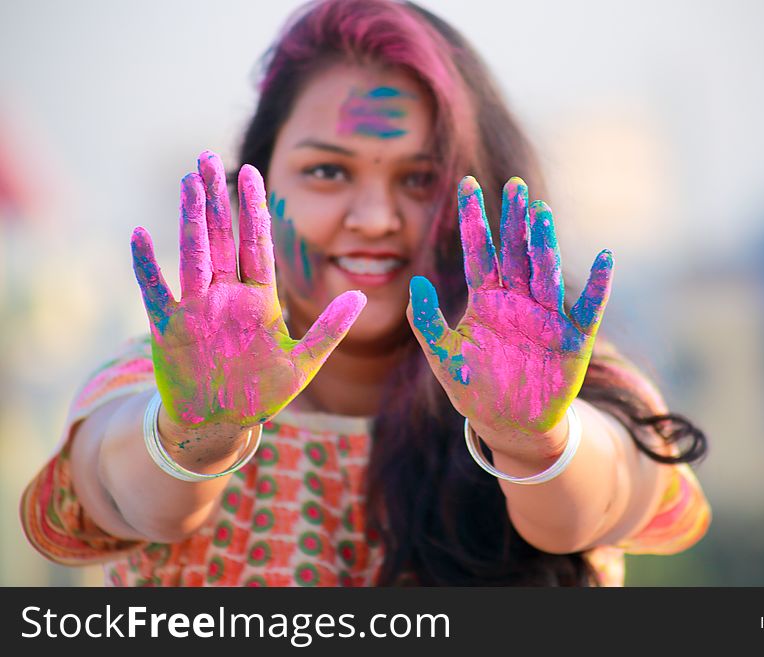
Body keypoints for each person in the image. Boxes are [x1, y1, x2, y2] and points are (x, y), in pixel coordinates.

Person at [21, 0, 710, 587]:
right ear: (252, 186)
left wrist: (529, 442)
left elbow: (606, 492)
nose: (377, 219)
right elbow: (119, 491)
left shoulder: (564, 386)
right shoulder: (161, 382)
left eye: (420, 180)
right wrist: (197, 434)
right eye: (327, 170)